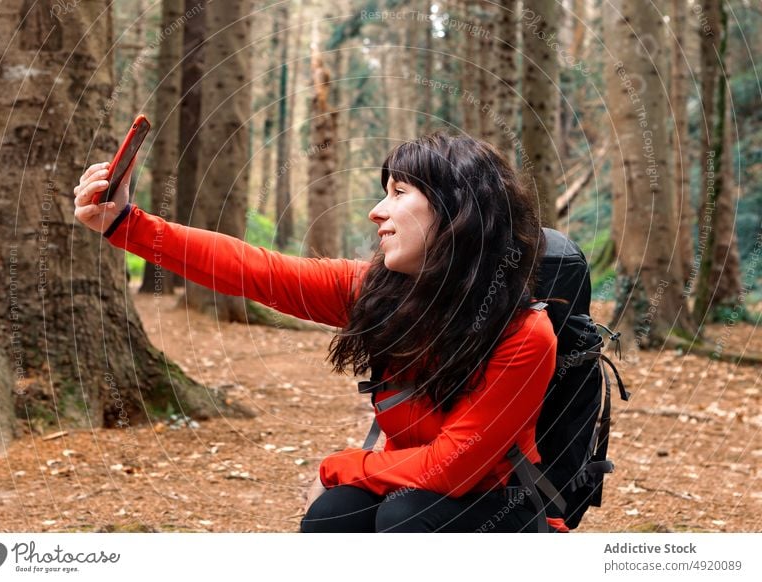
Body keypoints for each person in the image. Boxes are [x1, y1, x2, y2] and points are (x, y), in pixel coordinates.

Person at [73, 132, 558, 533]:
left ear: (457, 211)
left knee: (406, 517)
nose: (376, 211)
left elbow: (452, 469)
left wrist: (338, 466)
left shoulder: (524, 333)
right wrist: (126, 225)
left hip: (502, 505)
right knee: (333, 514)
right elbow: (255, 270)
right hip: (411, 488)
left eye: (399, 193)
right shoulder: (377, 291)